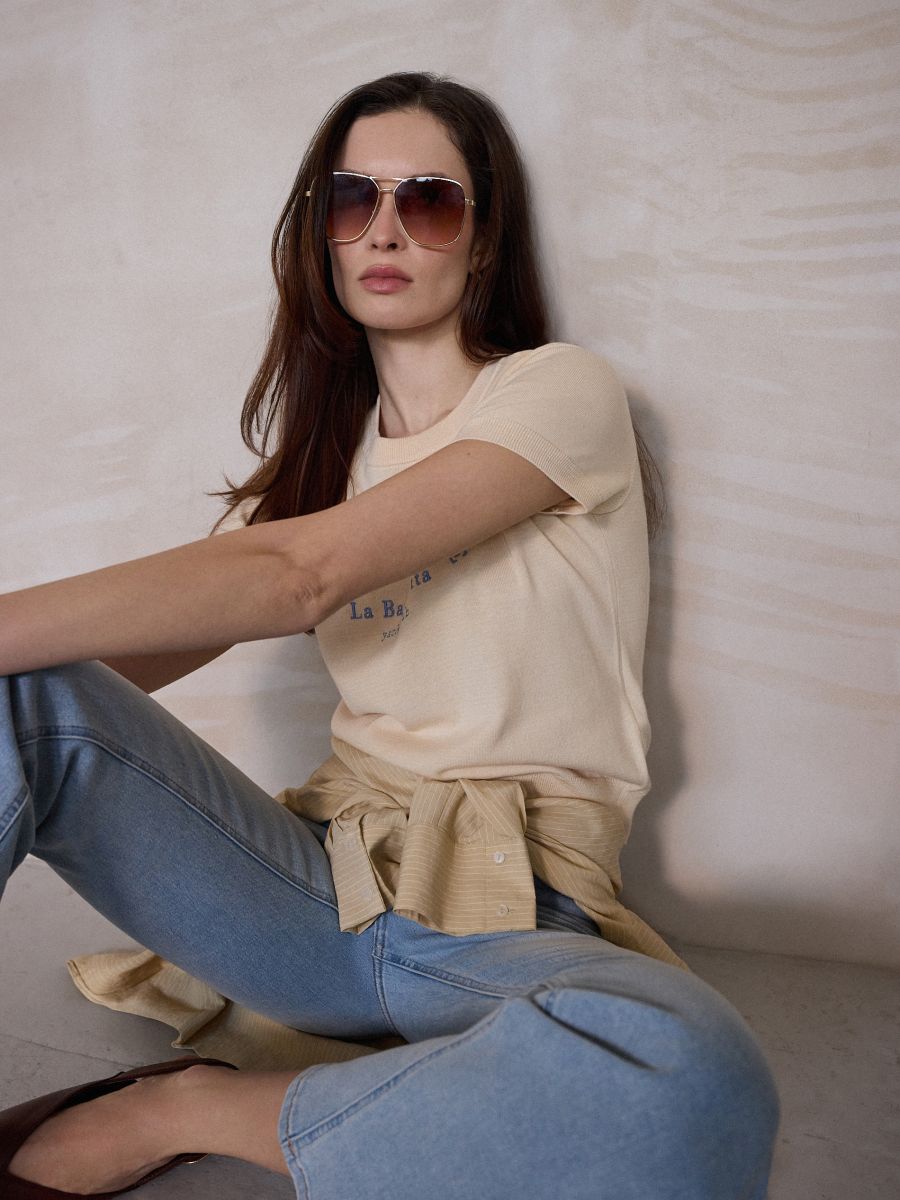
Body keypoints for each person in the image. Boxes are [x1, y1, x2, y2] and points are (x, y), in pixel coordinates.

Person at [0, 71, 779, 1198]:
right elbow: (102, 676)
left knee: (690, 1071)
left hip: (514, 919)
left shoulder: (558, 393)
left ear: (484, 236)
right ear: (319, 231)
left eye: (429, 200)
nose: (383, 229)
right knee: (19, 687)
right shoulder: (326, 467)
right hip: (309, 898)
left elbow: (297, 578)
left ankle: (185, 1109)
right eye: (349, 199)